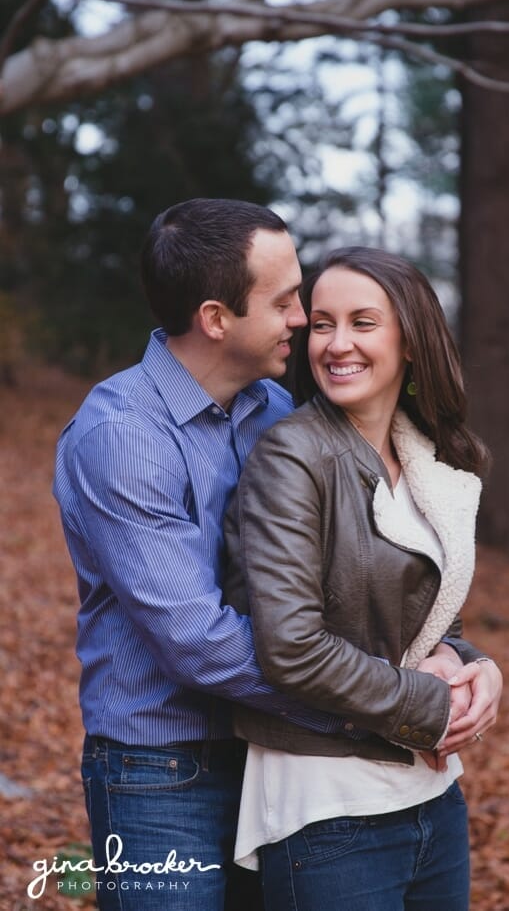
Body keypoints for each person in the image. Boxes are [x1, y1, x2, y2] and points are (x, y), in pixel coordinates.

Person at [53, 198, 370, 910]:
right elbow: (198, 642)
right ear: (216, 318)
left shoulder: (275, 411)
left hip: (274, 756)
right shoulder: (123, 435)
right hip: (161, 771)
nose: (301, 318)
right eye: (285, 300)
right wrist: (366, 701)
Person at [221, 246, 503, 911]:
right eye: (321, 323)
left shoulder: (426, 457)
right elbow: (290, 646)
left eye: (362, 323)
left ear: (411, 339)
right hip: (327, 808)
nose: (336, 343)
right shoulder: (293, 456)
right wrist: (435, 707)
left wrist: (475, 665)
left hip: (433, 797)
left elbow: (427, 617)